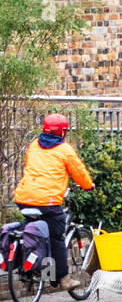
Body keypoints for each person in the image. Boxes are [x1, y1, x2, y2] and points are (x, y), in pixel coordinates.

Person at [12, 113, 94, 292]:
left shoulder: (34, 145)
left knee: (33, 233)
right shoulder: (64, 150)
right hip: (47, 201)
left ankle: (30, 272)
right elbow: (79, 172)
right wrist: (89, 186)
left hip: (24, 198)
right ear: (62, 132)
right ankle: (63, 278)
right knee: (57, 237)